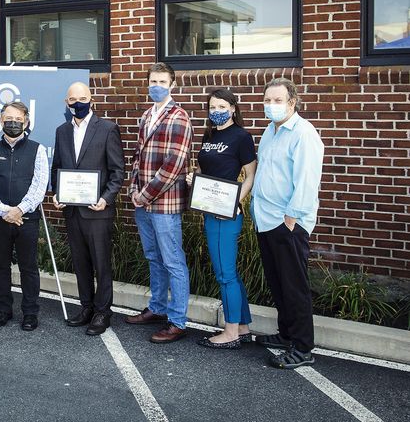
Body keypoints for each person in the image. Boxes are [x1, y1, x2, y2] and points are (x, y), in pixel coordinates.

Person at [252, 78, 324, 369]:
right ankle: (286, 335)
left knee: (294, 287)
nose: (271, 106)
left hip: (288, 223)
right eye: (267, 100)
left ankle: (303, 348)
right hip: (267, 220)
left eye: (277, 100)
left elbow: (307, 180)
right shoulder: (270, 131)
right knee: (278, 283)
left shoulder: (304, 134)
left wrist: (292, 218)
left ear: (292, 102)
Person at [127, 62, 193, 344]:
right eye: (153, 81)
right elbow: (138, 158)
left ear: (172, 85)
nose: (156, 86)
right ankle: (157, 307)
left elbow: (174, 165)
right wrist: (133, 188)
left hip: (163, 205)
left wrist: (145, 194)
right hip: (142, 204)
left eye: (162, 82)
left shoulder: (179, 117)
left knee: (173, 261)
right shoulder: (146, 116)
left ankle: (177, 321)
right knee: (153, 257)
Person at [185, 89, 257, 349]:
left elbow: (250, 176)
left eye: (222, 106)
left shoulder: (241, 137)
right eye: (212, 107)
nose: (216, 111)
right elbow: (205, 169)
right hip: (209, 210)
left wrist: (236, 202)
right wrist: (194, 176)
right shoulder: (210, 135)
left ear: (233, 108)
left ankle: (230, 332)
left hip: (227, 214)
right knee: (230, 273)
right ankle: (244, 326)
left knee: (225, 275)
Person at [52, 82, 124, 336]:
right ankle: (86, 307)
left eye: (83, 98)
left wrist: (106, 197)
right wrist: (57, 193)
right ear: (66, 102)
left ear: (91, 99)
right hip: (72, 210)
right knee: (80, 262)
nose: (78, 103)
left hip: (98, 210)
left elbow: (117, 172)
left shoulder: (107, 129)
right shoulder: (62, 131)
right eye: (73, 99)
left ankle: (103, 311)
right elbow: (57, 168)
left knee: (101, 263)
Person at [0, 101, 48, 331]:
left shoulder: (37, 149)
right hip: (0, 219)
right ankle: (3, 310)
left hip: (27, 219)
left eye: (18, 120)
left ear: (26, 122)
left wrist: (19, 210)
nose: (13, 123)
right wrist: (2, 211)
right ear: (0, 120)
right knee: (0, 266)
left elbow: (40, 185)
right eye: (9, 119)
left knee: (29, 266)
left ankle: (30, 312)